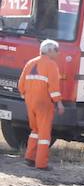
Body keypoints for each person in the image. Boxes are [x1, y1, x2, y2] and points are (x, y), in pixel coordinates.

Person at [19, 39, 64, 170]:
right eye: (56, 50)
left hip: (30, 102)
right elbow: (54, 88)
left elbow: (21, 85)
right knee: (44, 134)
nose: (58, 53)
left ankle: (29, 158)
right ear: (49, 51)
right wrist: (59, 103)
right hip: (44, 103)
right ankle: (41, 164)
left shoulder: (30, 63)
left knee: (35, 131)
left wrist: (27, 97)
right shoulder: (51, 65)